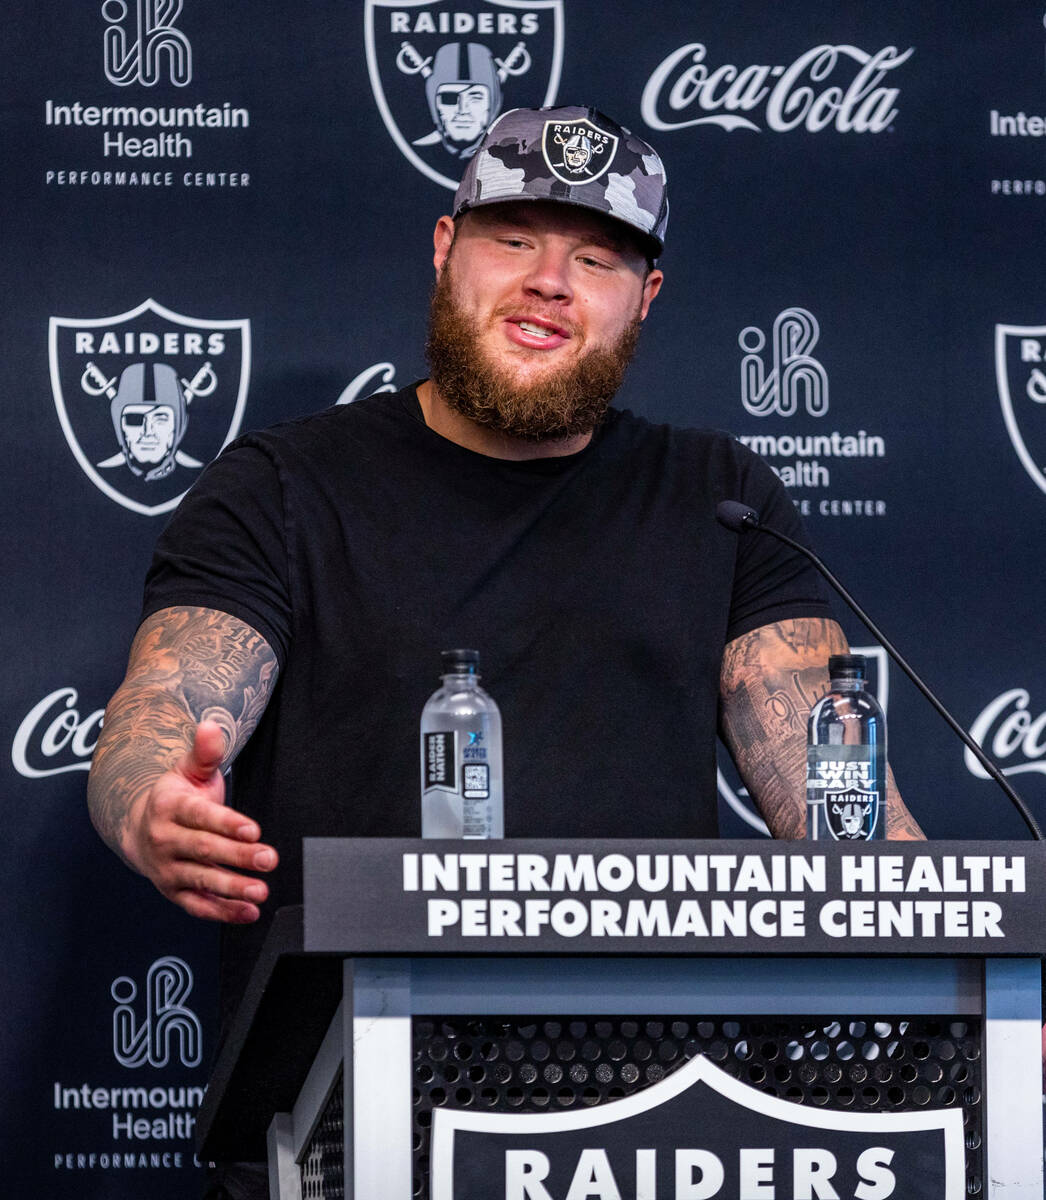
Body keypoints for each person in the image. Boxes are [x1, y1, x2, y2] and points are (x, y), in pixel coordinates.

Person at [86, 104, 923, 1197]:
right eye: (513, 237)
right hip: (366, 1112)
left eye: (595, 255)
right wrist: (151, 803)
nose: (548, 280)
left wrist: (980, 960)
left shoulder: (719, 499)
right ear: (446, 250)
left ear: (645, 298)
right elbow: (160, 708)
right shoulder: (285, 488)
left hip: (663, 1124)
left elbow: (836, 804)